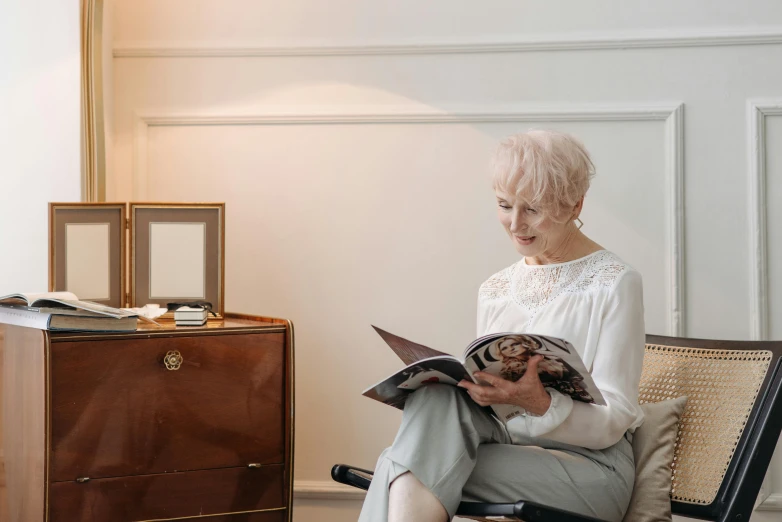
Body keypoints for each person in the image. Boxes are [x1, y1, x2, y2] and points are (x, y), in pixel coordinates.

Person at [358, 130, 645, 522]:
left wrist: (540, 404)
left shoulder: (615, 281)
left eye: (534, 209)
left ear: (575, 204)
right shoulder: (495, 288)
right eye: (505, 205)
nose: (515, 223)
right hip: (509, 449)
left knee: (401, 462)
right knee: (432, 401)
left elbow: (616, 419)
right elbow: (495, 414)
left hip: (591, 470)